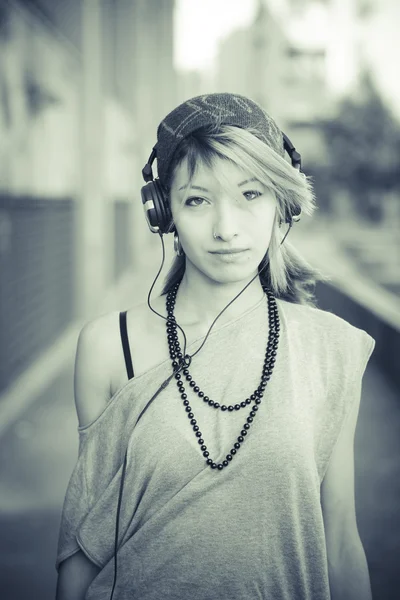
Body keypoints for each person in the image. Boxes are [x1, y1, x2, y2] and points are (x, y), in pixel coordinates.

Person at [55, 93, 375, 600]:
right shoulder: (108, 346)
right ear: (164, 213)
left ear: (282, 204)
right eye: (197, 200)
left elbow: (340, 540)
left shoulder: (331, 348)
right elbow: (81, 546)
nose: (227, 229)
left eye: (250, 195)